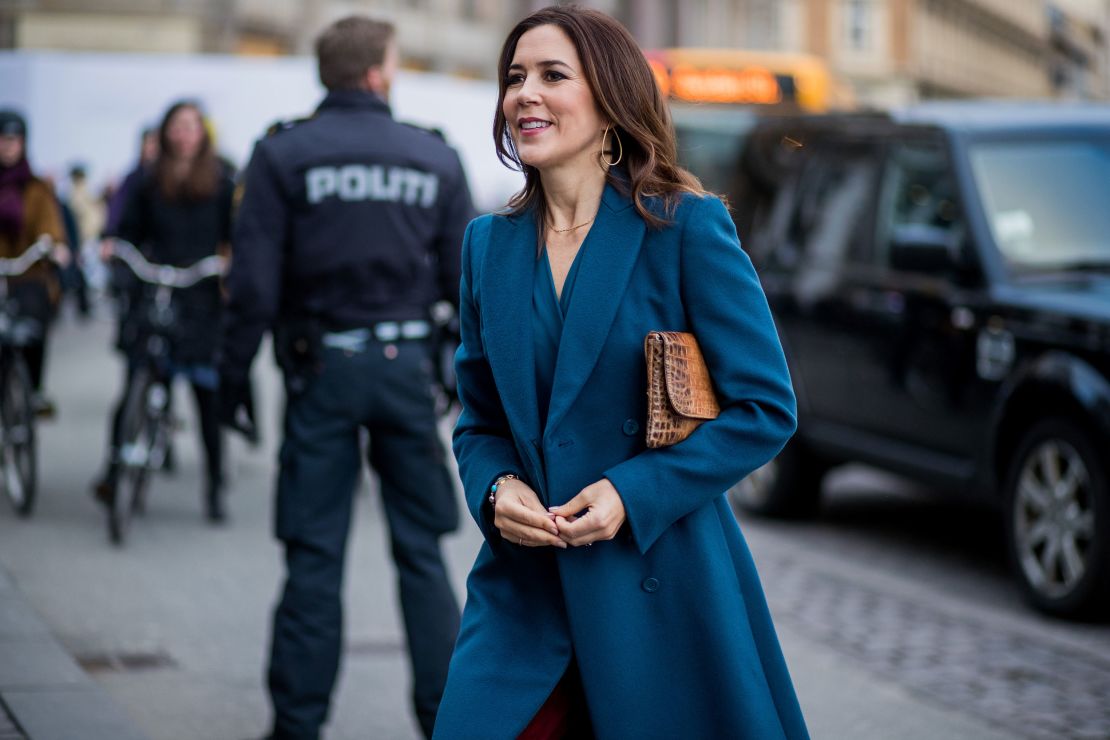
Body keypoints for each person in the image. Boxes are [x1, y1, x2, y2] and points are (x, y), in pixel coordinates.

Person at [434, 7, 810, 739]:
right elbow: (476, 419)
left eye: (552, 76)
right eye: (514, 78)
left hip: (658, 584)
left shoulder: (685, 228)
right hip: (525, 593)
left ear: (607, 98)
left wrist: (629, 493)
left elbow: (767, 408)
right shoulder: (489, 246)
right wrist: (494, 485)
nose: (525, 95)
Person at [219, 16, 473, 740]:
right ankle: (448, 722)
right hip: (405, 371)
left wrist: (232, 382)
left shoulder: (282, 154)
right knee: (422, 553)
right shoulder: (433, 156)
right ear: (378, 73)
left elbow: (254, 288)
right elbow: (465, 284)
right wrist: (462, 378)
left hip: (320, 369)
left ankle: (296, 727)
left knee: (313, 553)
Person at [94, 100, 234, 522]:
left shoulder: (223, 181)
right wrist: (112, 243)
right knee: (134, 380)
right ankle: (114, 470)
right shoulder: (146, 180)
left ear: (203, 133)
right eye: (178, 126)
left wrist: (231, 263)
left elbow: (236, 231)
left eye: (192, 126)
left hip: (201, 291)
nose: (184, 134)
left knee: (207, 397)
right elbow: (123, 226)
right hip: (154, 284)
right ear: (166, 132)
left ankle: (214, 484)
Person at [0, 109, 66, 415]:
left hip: (27, 273)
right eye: (3, 139)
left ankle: (35, 388)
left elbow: (50, 227)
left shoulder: (36, 188)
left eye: (14, 140)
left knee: (34, 327)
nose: (8, 146)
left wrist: (54, 247)